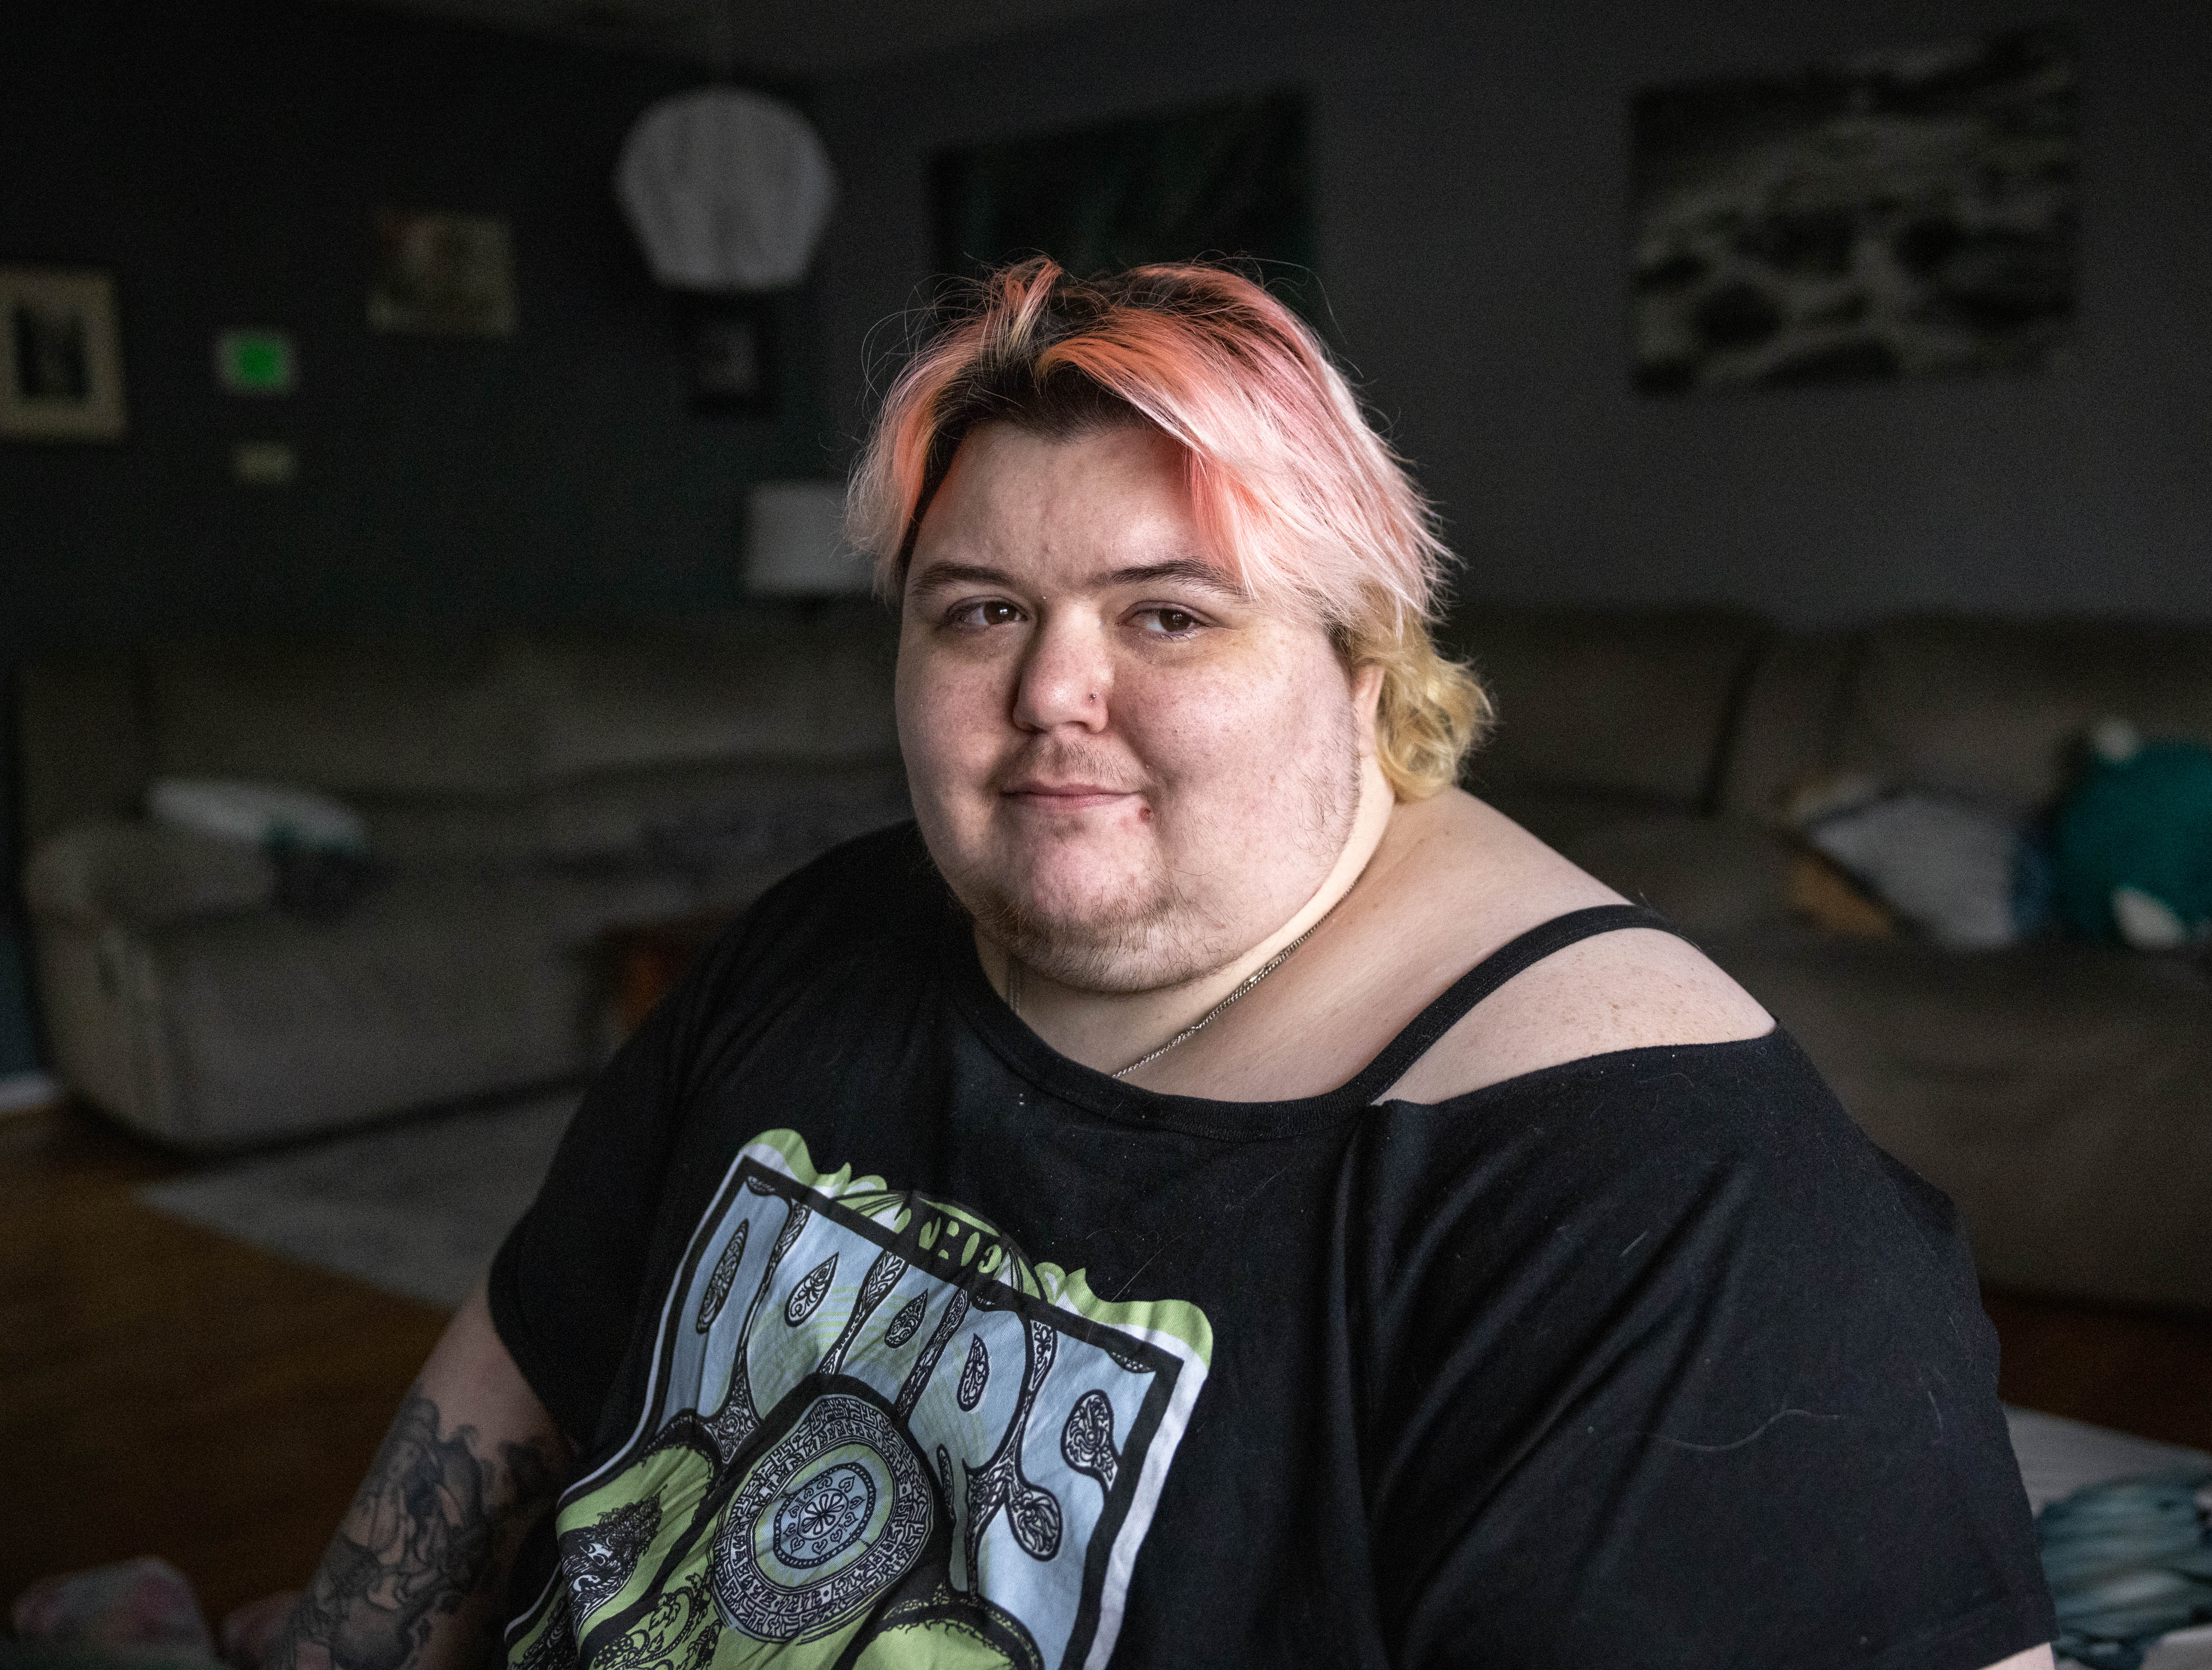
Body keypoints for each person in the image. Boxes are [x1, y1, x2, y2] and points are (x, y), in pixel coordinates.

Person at [249, 260, 2056, 1670]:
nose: (1051, 689)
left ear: (1360, 665)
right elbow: (527, 1352)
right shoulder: (830, 932)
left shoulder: (1661, 1193)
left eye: (1166, 613)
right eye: (980, 611)